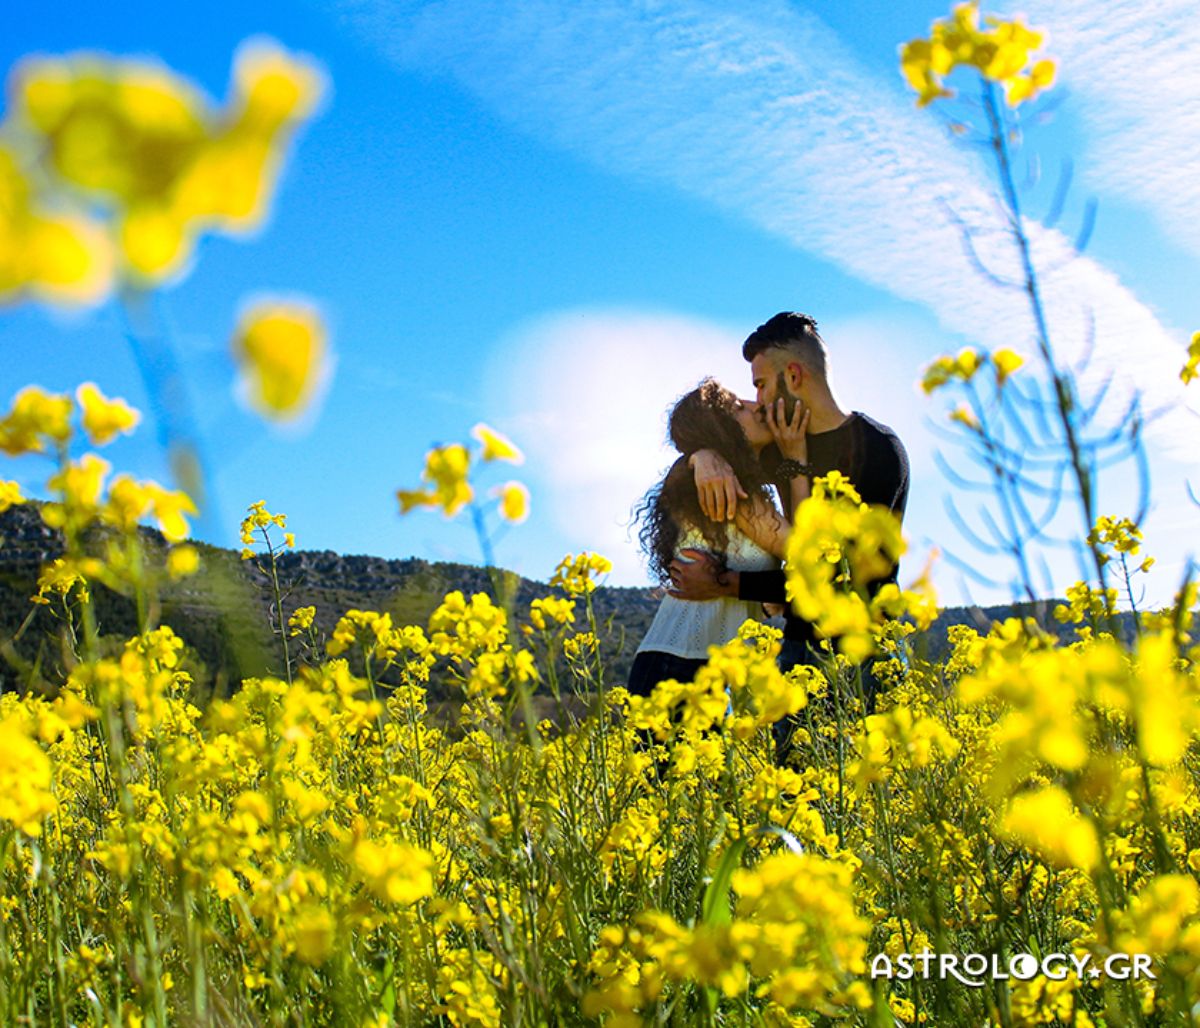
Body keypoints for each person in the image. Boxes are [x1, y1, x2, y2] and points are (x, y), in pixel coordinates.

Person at [668, 312, 910, 706]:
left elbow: (831, 575)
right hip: (800, 652)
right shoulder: (778, 446)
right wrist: (703, 456)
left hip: (868, 655)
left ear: (794, 376)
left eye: (761, 385)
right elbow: (700, 446)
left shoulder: (878, 449)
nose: (759, 401)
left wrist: (727, 584)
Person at [628, 377, 810, 697]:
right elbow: (808, 554)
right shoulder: (731, 493)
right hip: (680, 665)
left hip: (705, 666)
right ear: (721, 430)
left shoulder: (726, 483)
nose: (756, 406)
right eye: (739, 408)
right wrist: (797, 458)